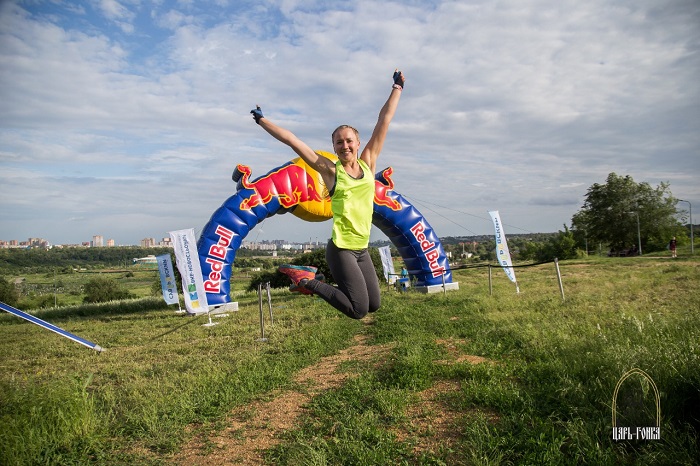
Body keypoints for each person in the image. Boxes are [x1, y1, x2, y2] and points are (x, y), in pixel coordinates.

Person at [250, 69, 405, 319]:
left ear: (357, 142)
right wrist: (262, 121)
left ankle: (315, 280)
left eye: (349, 140)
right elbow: (294, 141)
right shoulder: (331, 171)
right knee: (358, 310)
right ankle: (308, 281)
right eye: (339, 142)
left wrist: (397, 89)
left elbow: (383, 121)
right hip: (341, 249)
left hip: (362, 249)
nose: (345, 146)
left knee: (374, 305)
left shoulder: (368, 163)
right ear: (333, 147)